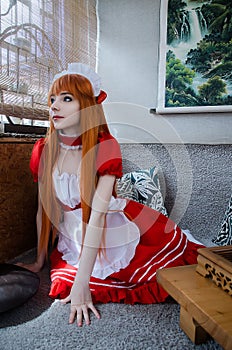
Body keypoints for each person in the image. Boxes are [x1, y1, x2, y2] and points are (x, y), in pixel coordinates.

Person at [20, 62, 204, 327]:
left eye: (66, 98)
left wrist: (82, 283)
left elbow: (96, 218)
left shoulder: (105, 146)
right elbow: (43, 209)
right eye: (52, 99)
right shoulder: (43, 150)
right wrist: (39, 262)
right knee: (63, 283)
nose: (54, 106)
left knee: (166, 274)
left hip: (109, 227)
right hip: (74, 236)